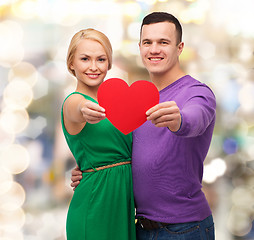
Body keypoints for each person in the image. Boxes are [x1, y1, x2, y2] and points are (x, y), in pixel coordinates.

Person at [71, 12, 216, 240]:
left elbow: (197, 118)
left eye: (163, 42)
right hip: (137, 227)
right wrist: (92, 171)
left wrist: (179, 120)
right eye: (148, 42)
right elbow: (129, 154)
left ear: (180, 48)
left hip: (183, 228)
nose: (154, 49)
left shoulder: (196, 93)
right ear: (139, 47)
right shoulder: (137, 101)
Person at [61, 28, 136, 240]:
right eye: (85, 59)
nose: (93, 67)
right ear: (71, 63)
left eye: (101, 59)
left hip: (122, 205)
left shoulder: (120, 106)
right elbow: (76, 108)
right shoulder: (73, 102)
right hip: (95, 205)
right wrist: (84, 108)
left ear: (109, 64)